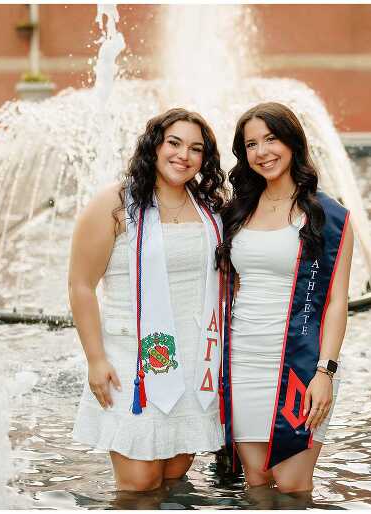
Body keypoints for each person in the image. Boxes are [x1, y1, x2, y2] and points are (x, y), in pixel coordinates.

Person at [69, 108, 227, 491]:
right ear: (154, 146)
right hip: (132, 358)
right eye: (174, 143)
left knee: (174, 476)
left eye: (195, 149)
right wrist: (95, 359)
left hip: (196, 358)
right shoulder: (116, 203)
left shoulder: (209, 208)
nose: (183, 156)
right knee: (140, 485)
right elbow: (81, 285)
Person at [217, 102, 354, 493]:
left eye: (271, 139)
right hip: (243, 360)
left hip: (301, 363)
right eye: (251, 144)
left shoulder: (328, 216)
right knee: (256, 483)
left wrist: (325, 373)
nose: (263, 152)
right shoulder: (237, 212)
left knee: (292, 486)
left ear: (292, 142)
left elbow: (336, 302)